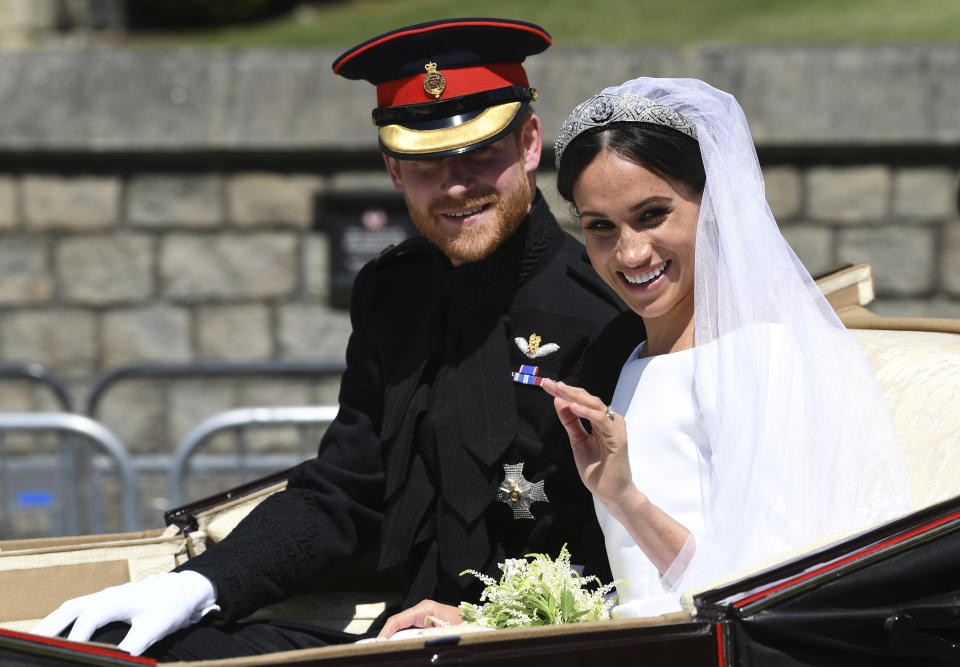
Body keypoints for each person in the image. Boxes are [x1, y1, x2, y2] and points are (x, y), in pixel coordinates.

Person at [32, 19, 645, 660]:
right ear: (392, 170)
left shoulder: (605, 306)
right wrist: (199, 583)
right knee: (107, 649)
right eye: (426, 162)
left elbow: (630, 538)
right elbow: (349, 491)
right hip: (397, 629)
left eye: (479, 153)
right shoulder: (393, 294)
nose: (457, 183)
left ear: (527, 144)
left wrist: (485, 621)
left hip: (546, 641)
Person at [538, 77, 914, 617]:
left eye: (651, 215)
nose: (630, 252)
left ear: (712, 202)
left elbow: (764, 589)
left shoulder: (757, 357)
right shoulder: (631, 365)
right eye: (601, 227)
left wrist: (627, 500)